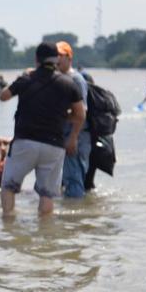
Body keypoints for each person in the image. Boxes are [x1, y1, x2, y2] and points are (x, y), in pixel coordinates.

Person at [0, 42, 85, 217]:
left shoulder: (27, 79)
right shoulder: (69, 83)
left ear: (36, 59)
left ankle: (8, 224)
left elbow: (3, 96)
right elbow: (80, 114)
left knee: (8, 186)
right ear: (57, 59)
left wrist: (21, 78)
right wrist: (67, 125)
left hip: (25, 142)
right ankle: (45, 234)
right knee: (47, 194)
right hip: (54, 145)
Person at [54, 41, 92, 199]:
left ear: (69, 58)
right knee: (66, 180)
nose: (57, 59)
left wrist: (73, 138)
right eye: (55, 55)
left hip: (77, 136)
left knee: (73, 180)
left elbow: (82, 111)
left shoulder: (76, 79)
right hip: (64, 135)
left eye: (60, 56)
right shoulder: (58, 79)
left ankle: (74, 220)